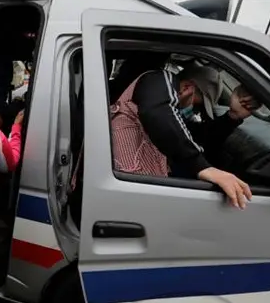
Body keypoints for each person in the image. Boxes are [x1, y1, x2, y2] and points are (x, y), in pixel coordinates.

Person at [110, 65, 257, 210]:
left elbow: (194, 136)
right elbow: (158, 115)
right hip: (125, 199)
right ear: (187, 88)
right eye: (196, 105)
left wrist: (232, 117)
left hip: (137, 198)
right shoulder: (159, 79)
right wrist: (202, 167)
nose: (193, 110)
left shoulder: (171, 121)